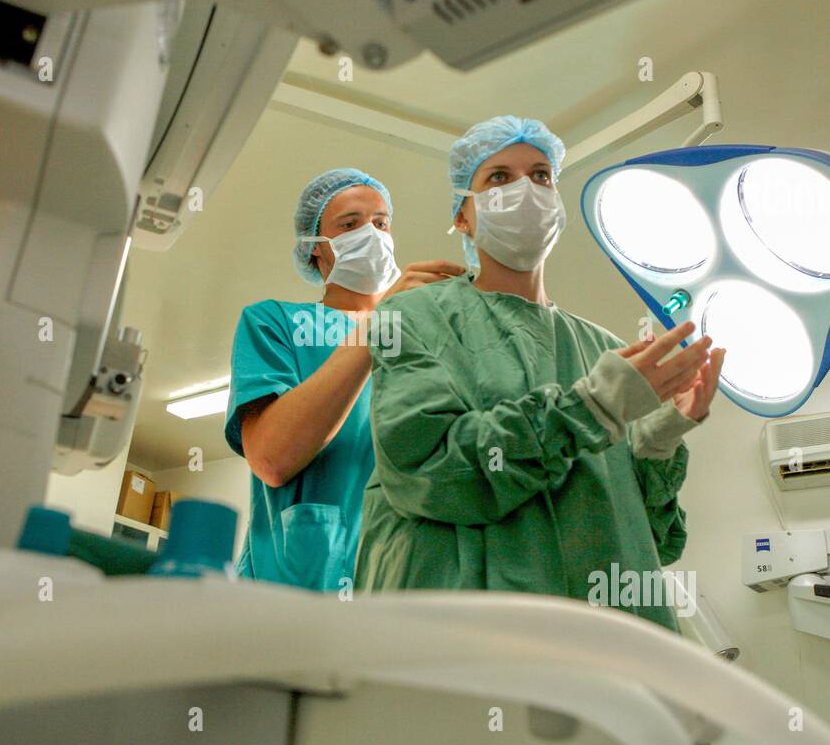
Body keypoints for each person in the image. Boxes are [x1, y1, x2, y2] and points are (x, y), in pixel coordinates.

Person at [355, 117, 726, 634]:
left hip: (610, 642)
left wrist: (658, 442)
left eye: (541, 175)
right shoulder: (414, 317)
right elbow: (429, 472)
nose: (526, 190)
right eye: (499, 178)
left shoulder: (602, 348)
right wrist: (592, 408)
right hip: (471, 641)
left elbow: (653, 543)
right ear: (462, 216)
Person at [225, 168, 463, 591]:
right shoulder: (276, 322)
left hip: (411, 581)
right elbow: (272, 459)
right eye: (350, 224)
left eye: (381, 222)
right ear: (315, 248)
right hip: (300, 586)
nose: (372, 235)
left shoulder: (428, 337)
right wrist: (381, 321)